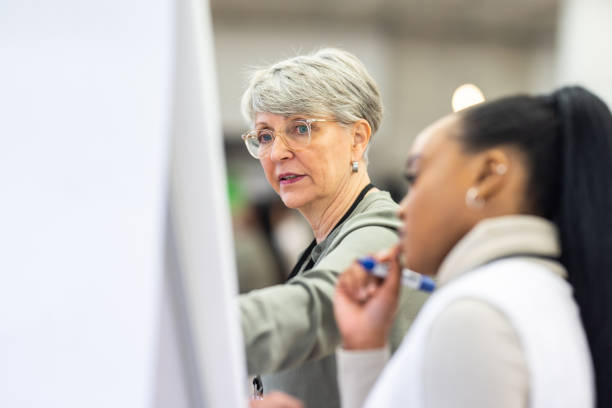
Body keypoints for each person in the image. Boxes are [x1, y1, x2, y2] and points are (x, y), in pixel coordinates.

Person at [333, 86, 612, 407]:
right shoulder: (536, 292)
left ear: (488, 174)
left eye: (415, 176)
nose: (402, 209)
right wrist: (365, 346)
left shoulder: (475, 313)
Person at [238, 48, 429, 408]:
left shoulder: (382, 230)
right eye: (264, 136)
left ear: (357, 139)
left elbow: (317, 306)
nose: (276, 152)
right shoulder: (326, 243)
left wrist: (195, 326)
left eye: (300, 128)